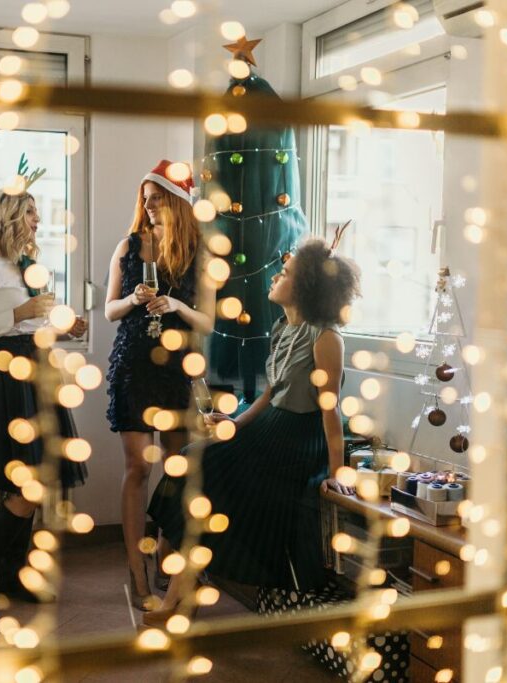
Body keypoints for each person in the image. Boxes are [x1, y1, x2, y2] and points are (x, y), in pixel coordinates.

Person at [144, 239, 360, 626]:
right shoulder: (283, 328)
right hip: (269, 426)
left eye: (287, 273)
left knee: (202, 466)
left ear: (306, 286)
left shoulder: (326, 337)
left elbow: (330, 412)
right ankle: (182, 586)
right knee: (192, 458)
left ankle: (179, 590)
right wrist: (234, 424)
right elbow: (271, 392)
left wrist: (336, 472)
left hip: (296, 440)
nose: (277, 275)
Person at [0, 185, 88, 621]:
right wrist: (18, 313)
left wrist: (63, 328)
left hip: (38, 373)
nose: (37, 221)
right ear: (9, 215)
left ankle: (11, 577)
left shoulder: (29, 268)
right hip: (7, 378)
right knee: (26, 486)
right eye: (30, 212)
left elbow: (37, 325)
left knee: (35, 482)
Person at [104, 160, 214, 611]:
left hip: (174, 370)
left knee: (175, 467)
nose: (149, 208)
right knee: (138, 468)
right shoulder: (128, 246)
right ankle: (136, 567)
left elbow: (206, 320)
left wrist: (177, 305)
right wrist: (132, 299)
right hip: (132, 365)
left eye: (157, 200)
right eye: (145, 200)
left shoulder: (198, 253)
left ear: (177, 201)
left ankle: (169, 556)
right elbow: (109, 310)